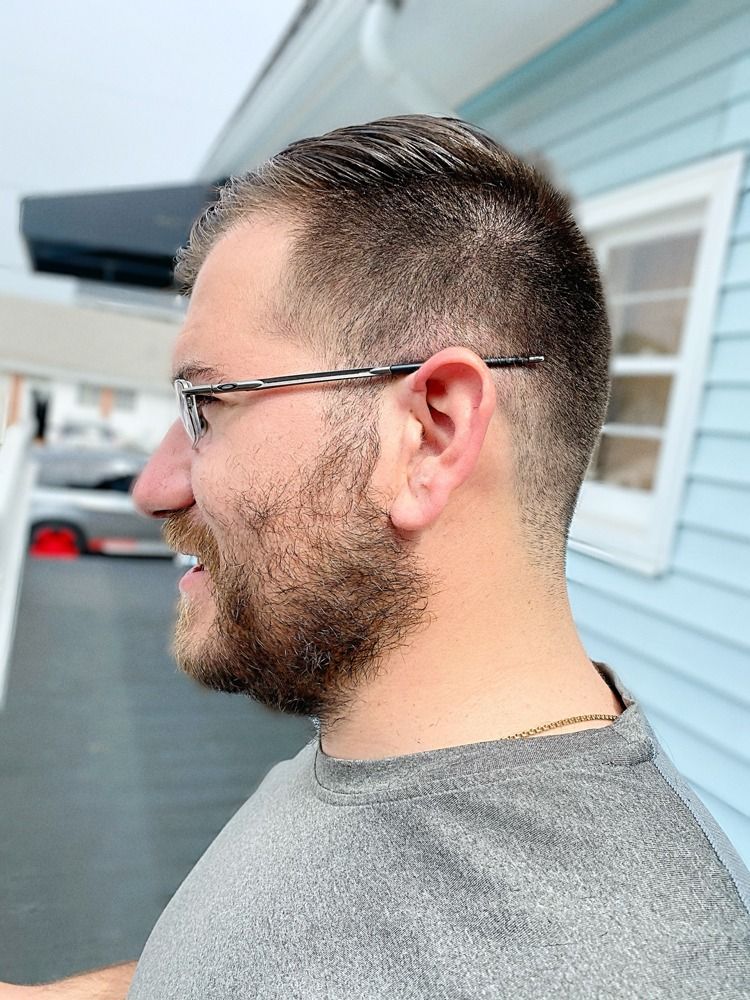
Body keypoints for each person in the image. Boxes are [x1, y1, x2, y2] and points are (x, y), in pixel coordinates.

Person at [4, 115, 749, 999]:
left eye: (207, 404)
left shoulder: (608, 966)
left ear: (429, 434)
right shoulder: (378, 746)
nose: (155, 486)